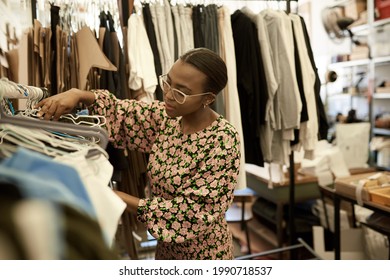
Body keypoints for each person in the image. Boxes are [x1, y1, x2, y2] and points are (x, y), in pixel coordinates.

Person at [35, 48, 241, 260]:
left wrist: (114, 196)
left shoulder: (223, 140)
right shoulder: (168, 118)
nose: (168, 95)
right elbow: (121, 114)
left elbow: (190, 214)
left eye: (180, 92)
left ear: (207, 98)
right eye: (167, 82)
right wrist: (79, 94)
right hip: (166, 250)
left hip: (204, 254)